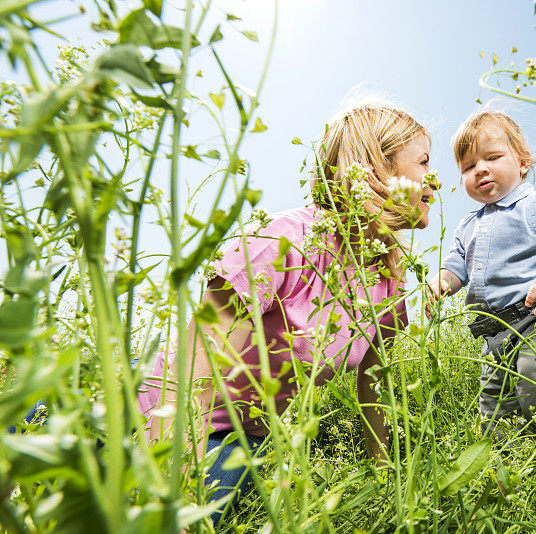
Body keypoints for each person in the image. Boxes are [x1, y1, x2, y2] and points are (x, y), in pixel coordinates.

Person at [137, 101, 440, 524]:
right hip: (164, 411)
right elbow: (194, 375)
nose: (435, 183)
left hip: (247, 435)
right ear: (373, 168)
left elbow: (375, 383)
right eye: (423, 163)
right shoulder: (282, 240)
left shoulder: (389, 277)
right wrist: (173, 485)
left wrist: (385, 474)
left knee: (220, 508)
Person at [427, 110, 536, 484]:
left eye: (492, 158)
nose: (480, 170)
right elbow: (455, 268)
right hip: (495, 335)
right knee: (495, 411)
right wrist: (441, 283)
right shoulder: (466, 226)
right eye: (469, 165)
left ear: (522, 164)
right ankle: (514, 484)